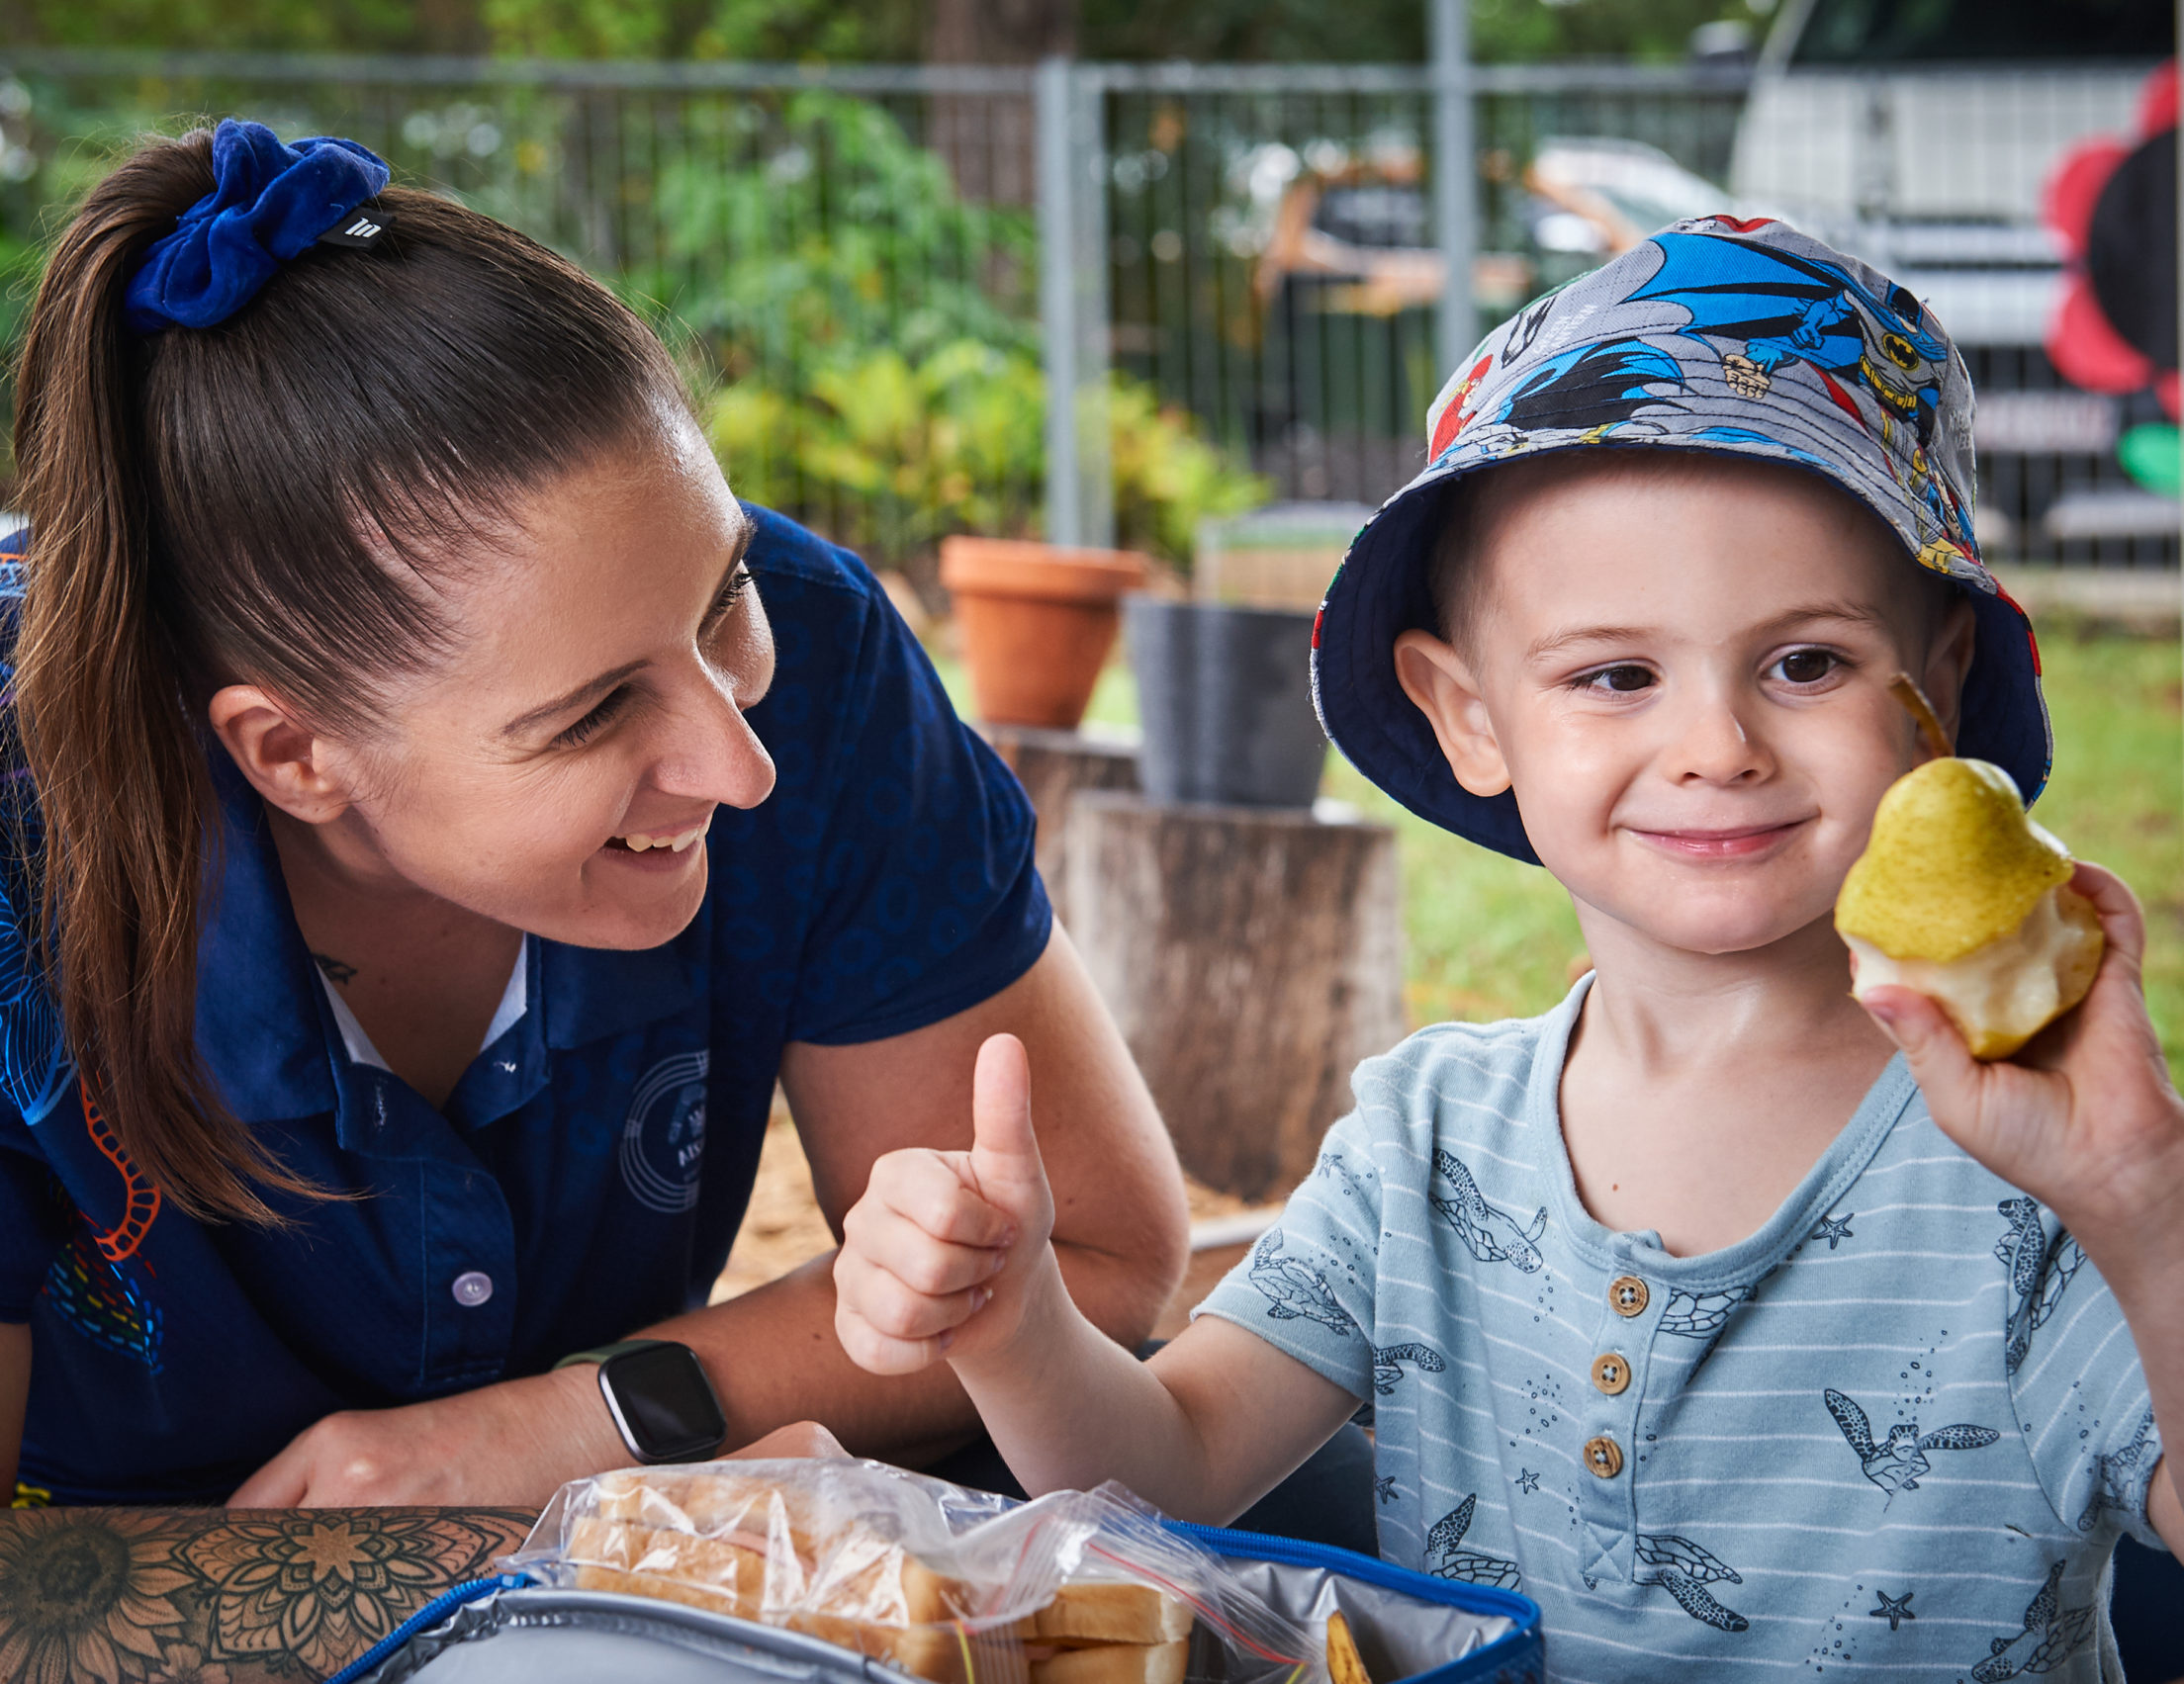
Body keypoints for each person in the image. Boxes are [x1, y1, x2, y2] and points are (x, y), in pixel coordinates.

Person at [0, 122, 1190, 1682]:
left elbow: (1106, 1256)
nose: (740, 764)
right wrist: (614, 1552)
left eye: (723, 597)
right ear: (293, 752)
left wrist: (564, 1426)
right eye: (593, 718)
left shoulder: (803, 654)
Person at [832, 218, 2180, 1678]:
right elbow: (1169, 1472)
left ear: (1938, 685)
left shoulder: (2033, 1170)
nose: (1715, 746)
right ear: (1468, 715)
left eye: (1806, 663)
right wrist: (1014, 1319)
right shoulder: (1428, 1138)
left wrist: (2143, 1203)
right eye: (1615, 675)